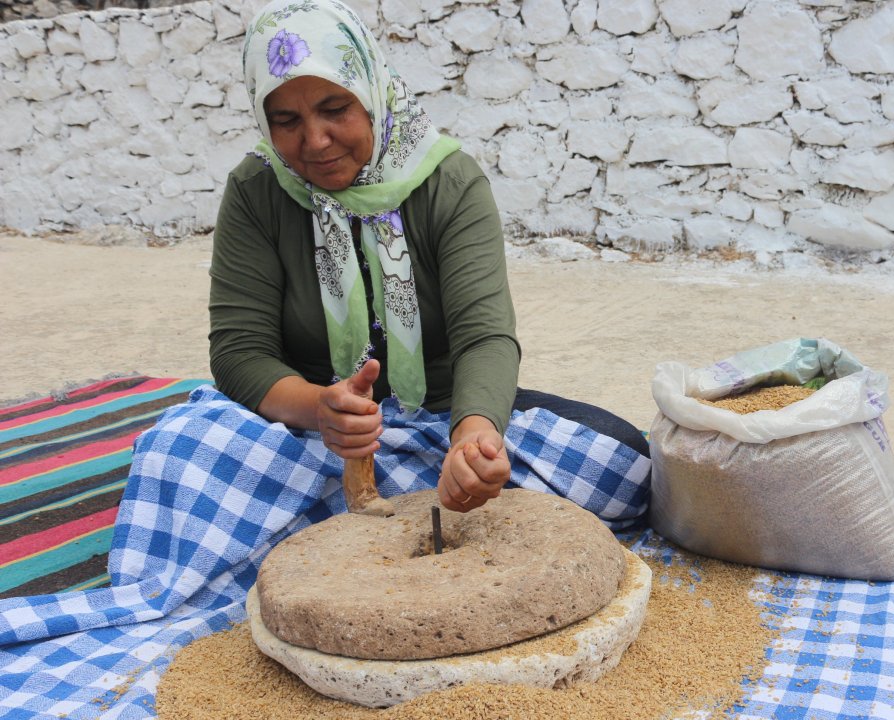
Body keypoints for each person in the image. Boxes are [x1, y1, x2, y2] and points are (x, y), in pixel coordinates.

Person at [198, 0, 649, 519]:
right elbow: (240, 350)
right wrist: (321, 410)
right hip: (310, 435)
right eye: (286, 120)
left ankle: (327, 515)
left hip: (442, 413)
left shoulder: (449, 182)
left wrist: (473, 444)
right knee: (179, 453)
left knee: (625, 463)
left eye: (335, 109)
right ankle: (389, 502)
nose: (315, 141)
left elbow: (484, 337)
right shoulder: (257, 189)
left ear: (370, 93)